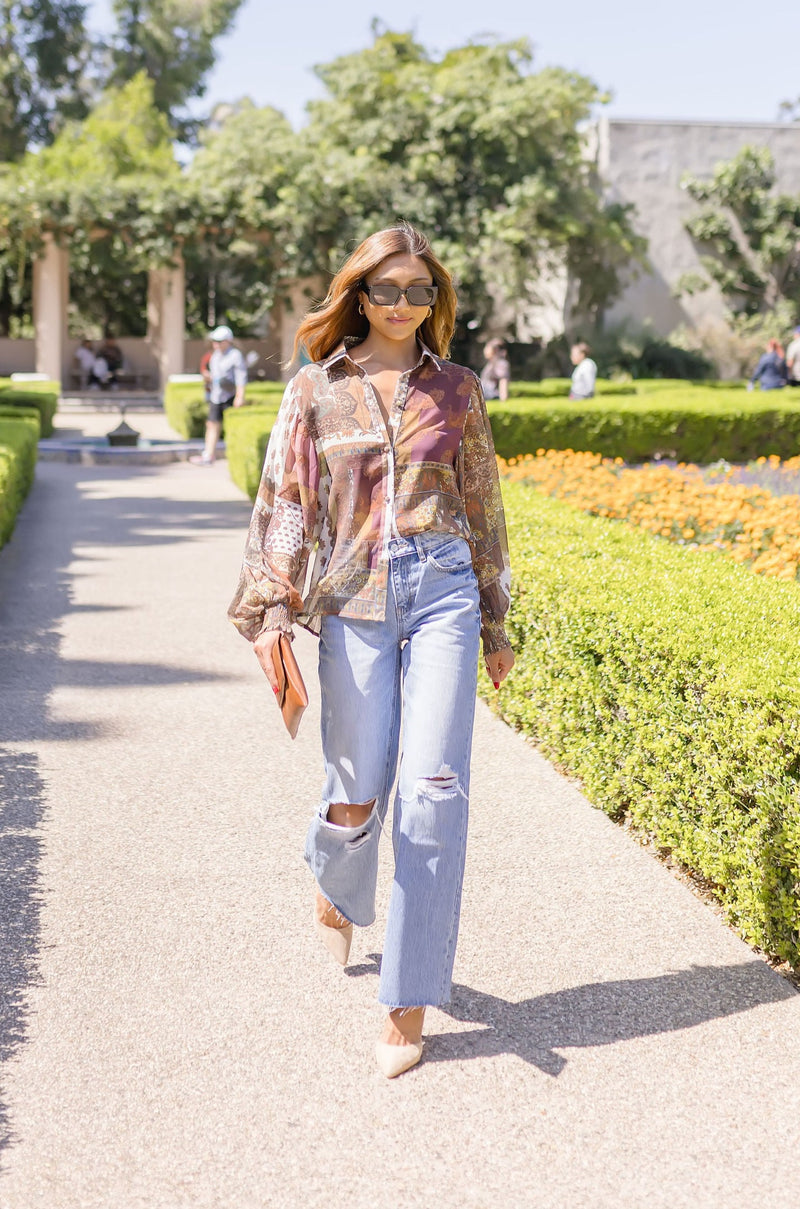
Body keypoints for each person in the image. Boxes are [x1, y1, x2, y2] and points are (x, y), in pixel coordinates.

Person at [228, 223, 514, 1078]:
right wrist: (272, 607)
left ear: (435, 299)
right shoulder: (316, 389)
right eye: (385, 289)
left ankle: (406, 1000)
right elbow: (287, 501)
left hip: (443, 591)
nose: (401, 304)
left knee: (432, 794)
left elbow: (482, 503)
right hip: (353, 601)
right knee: (355, 797)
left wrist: (494, 616)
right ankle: (337, 883)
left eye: (418, 290)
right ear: (359, 294)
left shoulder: (457, 388)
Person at [190, 325, 247, 466]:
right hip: (216, 396)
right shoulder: (215, 356)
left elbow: (241, 377)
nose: (216, 344)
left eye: (220, 341)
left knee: (233, 427)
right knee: (212, 424)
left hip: (230, 396)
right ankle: (208, 455)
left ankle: (236, 458)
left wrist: (240, 397)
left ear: (228, 341)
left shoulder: (235, 355)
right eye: (215, 341)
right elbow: (215, 376)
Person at [480, 337, 510, 401]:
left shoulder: (501, 364)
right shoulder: (491, 363)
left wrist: (503, 398)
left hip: (492, 396)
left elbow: (503, 380)